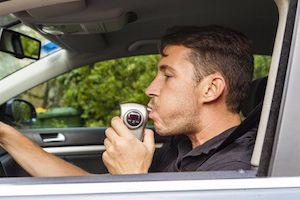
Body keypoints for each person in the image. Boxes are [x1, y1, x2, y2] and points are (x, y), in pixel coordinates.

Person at [0, 25, 256, 176]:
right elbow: (90, 188)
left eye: (167, 75)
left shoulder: (232, 170)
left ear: (211, 89)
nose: (150, 88)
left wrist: (132, 178)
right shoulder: (183, 146)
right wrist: (6, 136)